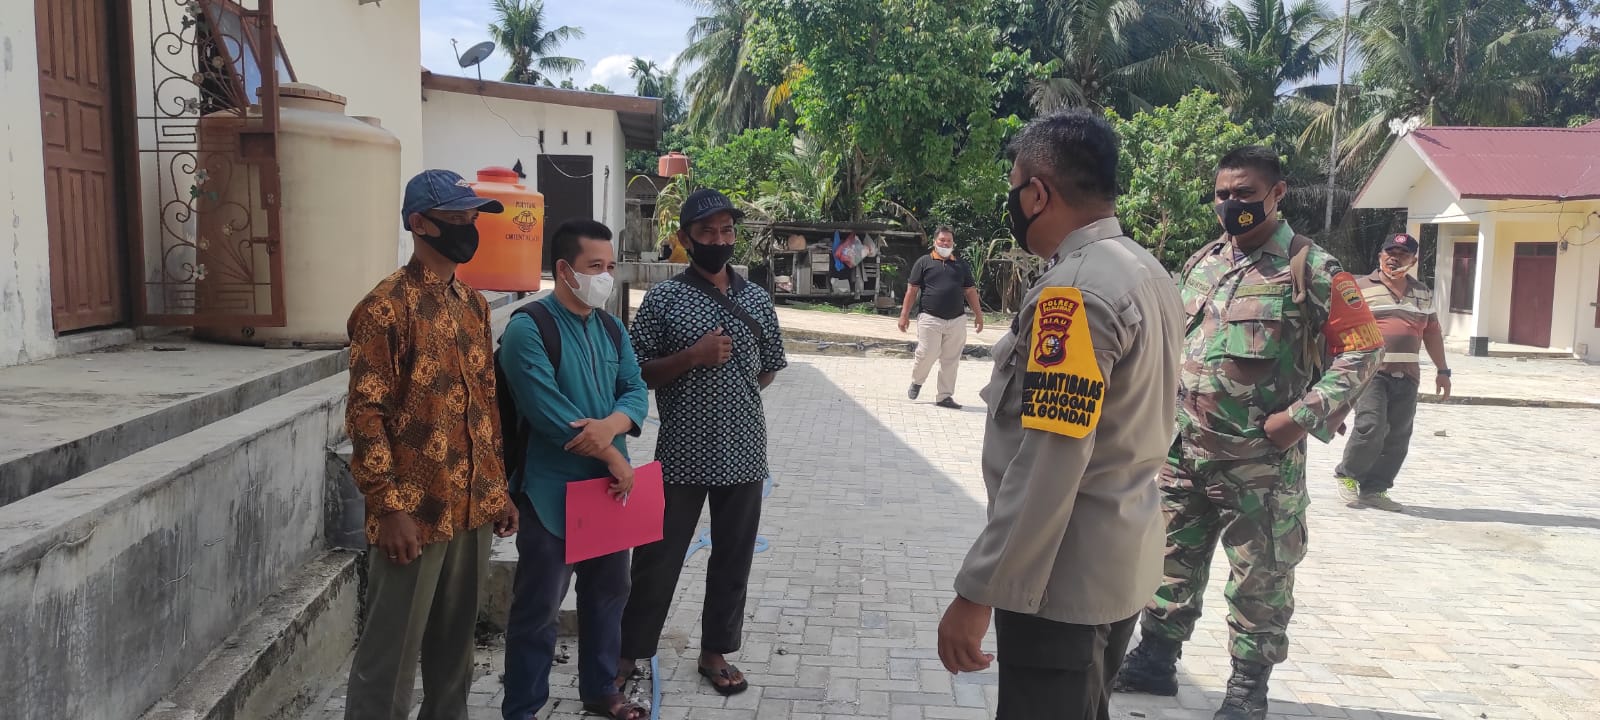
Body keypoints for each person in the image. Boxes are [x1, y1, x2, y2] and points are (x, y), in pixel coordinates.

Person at [1114, 147, 1384, 720]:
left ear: (1277, 194)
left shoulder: (1310, 267)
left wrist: (1301, 417)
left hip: (1260, 463)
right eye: (1223, 194)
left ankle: (1246, 687)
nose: (1231, 203)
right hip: (1183, 451)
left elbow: (1363, 350)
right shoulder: (1202, 262)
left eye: (1244, 193)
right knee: (1168, 561)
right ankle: (1156, 660)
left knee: (1260, 577)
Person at [936, 109, 1186, 720]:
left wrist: (980, 589)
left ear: (1037, 193)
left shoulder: (1074, 290)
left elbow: (1051, 458)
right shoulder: (1146, 269)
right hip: (1117, 563)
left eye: (1014, 188)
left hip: (1058, 582)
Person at [343, 169, 520, 720]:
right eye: (457, 218)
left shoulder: (474, 305)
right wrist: (388, 507)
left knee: (455, 648)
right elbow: (365, 415)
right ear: (420, 224)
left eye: (472, 217)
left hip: (470, 503)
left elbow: (484, 405)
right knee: (391, 652)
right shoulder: (384, 308)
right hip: (413, 513)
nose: (469, 227)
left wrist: (498, 489)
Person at [617, 188, 787, 696]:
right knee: (657, 557)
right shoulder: (664, 299)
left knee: (733, 559)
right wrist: (692, 357)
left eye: (726, 231)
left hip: (745, 451)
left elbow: (769, 368)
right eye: (707, 232)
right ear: (686, 238)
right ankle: (629, 651)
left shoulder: (756, 297)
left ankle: (715, 652)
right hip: (682, 453)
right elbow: (636, 372)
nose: (719, 240)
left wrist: (731, 397)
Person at [499, 219, 649, 720]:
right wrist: (612, 452)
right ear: (564, 270)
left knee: (609, 595)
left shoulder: (611, 328)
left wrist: (611, 427)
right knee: (539, 608)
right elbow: (548, 412)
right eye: (594, 267)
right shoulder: (528, 328)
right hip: (550, 494)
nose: (605, 277)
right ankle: (523, 707)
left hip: (608, 491)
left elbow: (635, 389)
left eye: (610, 267)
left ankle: (601, 690)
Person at [1334, 233, 1451, 511]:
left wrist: (1443, 370)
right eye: (1390, 253)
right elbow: (1338, 327)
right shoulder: (1359, 288)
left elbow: (1432, 333)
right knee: (1371, 426)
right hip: (1370, 372)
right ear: (1380, 256)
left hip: (1407, 375)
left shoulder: (1422, 293)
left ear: (1413, 260)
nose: (1394, 259)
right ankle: (1348, 475)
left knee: (1398, 435)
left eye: (1402, 254)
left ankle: (1375, 489)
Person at [899, 226, 984, 409]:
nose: (945, 243)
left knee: (951, 360)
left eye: (949, 241)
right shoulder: (924, 262)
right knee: (927, 353)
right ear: (935, 242)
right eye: (942, 240)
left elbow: (970, 291)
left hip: (957, 320)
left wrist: (979, 315)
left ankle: (944, 396)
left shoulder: (961, 265)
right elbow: (912, 290)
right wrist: (904, 315)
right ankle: (917, 381)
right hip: (930, 318)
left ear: (953, 243)